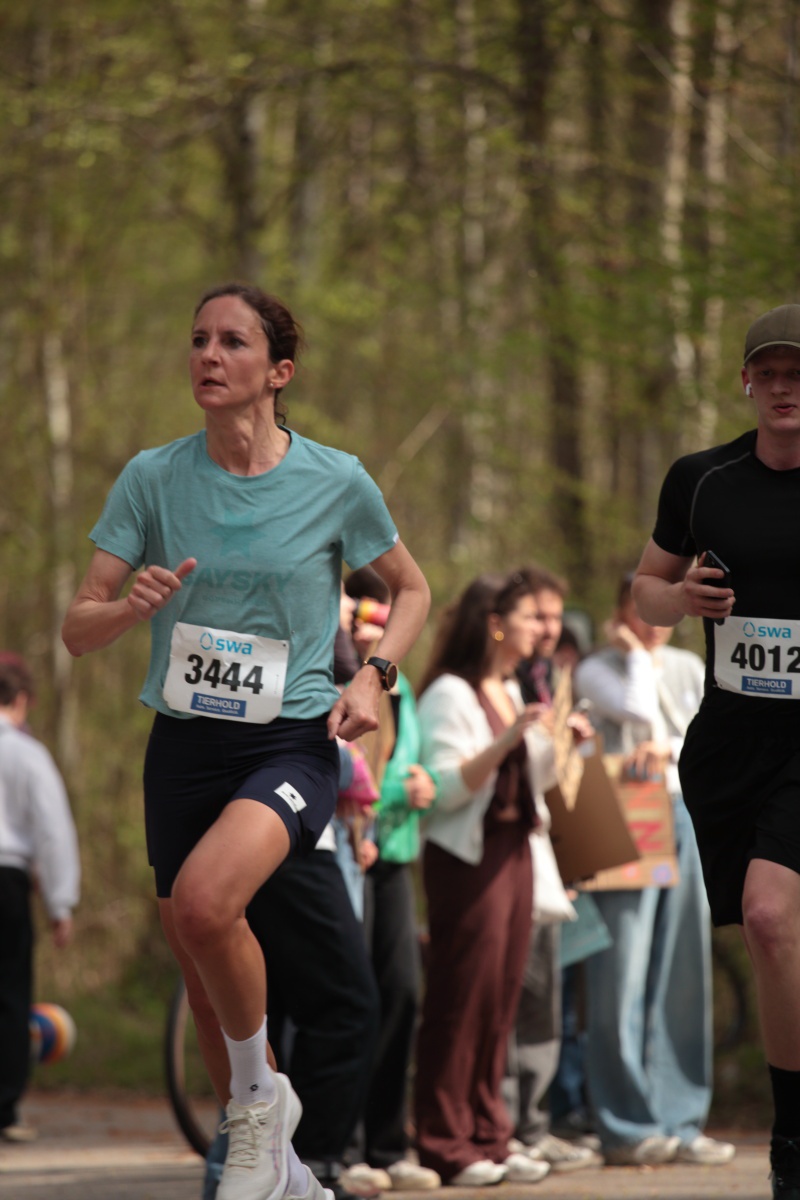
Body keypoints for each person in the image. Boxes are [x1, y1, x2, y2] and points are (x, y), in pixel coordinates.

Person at [62, 282, 430, 1200]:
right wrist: (128, 608)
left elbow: (413, 589)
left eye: (232, 342)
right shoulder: (153, 477)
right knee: (200, 972)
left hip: (289, 742)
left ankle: (261, 1111)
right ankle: (282, 1166)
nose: (208, 356)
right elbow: (76, 626)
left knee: (204, 906)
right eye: (198, 340)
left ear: (279, 371)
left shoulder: (336, 479)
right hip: (182, 745)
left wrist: (373, 676)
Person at [631, 302, 800, 1200]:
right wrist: (680, 599)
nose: (783, 388)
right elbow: (643, 591)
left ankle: (792, 1140)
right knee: (773, 929)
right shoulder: (703, 481)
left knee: (773, 917)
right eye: (769, 373)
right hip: (733, 742)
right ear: (745, 382)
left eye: (798, 374)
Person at [573, 576, 734, 1167]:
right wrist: (637, 656)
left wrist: (669, 748)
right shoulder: (597, 669)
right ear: (623, 611)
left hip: (684, 815)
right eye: (641, 611)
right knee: (620, 971)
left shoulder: (691, 667)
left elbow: (713, 736)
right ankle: (624, 1125)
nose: (653, 624)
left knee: (683, 970)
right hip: (621, 816)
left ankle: (680, 1121)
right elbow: (637, 708)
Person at [413, 571, 562, 1188]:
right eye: (529, 617)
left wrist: (558, 742)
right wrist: (509, 737)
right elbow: (446, 788)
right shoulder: (451, 692)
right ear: (496, 624)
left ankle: (490, 1135)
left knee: (500, 999)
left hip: (515, 854)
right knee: (462, 997)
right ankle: (444, 1141)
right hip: (468, 860)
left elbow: (532, 782)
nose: (540, 630)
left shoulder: (508, 687)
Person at [339, 566, 441, 1194]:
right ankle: (344, 1145)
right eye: (358, 613)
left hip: (394, 854)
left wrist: (425, 784)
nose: (368, 628)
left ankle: (387, 1143)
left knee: (401, 990)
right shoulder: (330, 678)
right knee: (351, 996)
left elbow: (414, 763)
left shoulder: (400, 689)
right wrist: (395, 793)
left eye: (380, 616)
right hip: (344, 855)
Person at [504, 567, 598, 1173]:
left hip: (546, 852)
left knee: (544, 992)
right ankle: (502, 1125)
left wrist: (570, 739)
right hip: (501, 851)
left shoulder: (550, 677)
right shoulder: (498, 679)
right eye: (537, 616)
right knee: (508, 992)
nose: (548, 628)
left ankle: (533, 1126)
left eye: (555, 617)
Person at [0, 653, 80, 1143]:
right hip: (7, 879)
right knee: (10, 994)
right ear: (22, 699)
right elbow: (52, 830)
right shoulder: (28, 754)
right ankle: (4, 1108)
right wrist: (59, 901)